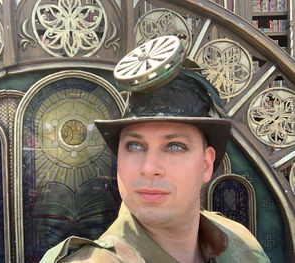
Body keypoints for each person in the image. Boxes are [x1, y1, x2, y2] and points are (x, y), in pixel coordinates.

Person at [40, 36, 270, 263]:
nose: (149, 168)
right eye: (134, 146)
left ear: (206, 164)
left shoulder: (241, 245)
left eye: (174, 146)